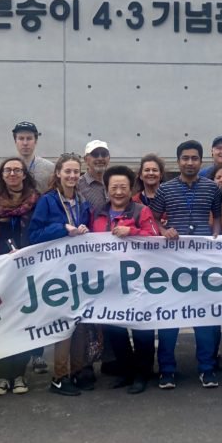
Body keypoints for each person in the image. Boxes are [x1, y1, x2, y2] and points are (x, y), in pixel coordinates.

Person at [148, 140, 222, 389]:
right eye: (185, 158)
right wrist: (164, 229)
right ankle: (167, 370)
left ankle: (207, 368)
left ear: (201, 161)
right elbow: (154, 219)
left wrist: (215, 237)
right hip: (172, 262)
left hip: (203, 262)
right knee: (171, 315)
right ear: (178, 161)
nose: (189, 162)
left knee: (203, 315)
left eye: (194, 158)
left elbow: (218, 218)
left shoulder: (212, 188)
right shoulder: (165, 189)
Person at [28, 153, 94, 396]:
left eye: (76, 172)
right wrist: (62, 229)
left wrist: (83, 229)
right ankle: (59, 376)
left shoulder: (82, 201)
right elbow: (34, 234)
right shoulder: (47, 201)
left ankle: (76, 371)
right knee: (63, 323)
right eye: (67, 171)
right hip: (55, 271)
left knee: (78, 322)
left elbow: (83, 231)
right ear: (58, 173)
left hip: (78, 269)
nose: (72, 176)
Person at [92, 165, 161, 395]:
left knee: (142, 327)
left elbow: (155, 238)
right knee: (116, 329)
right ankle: (127, 371)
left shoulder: (141, 211)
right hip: (110, 281)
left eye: (123, 187)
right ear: (107, 189)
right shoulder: (98, 214)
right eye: (114, 187)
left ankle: (143, 373)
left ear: (131, 188)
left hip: (139, 279)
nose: (119, 192)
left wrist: (131, 232)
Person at [0, 157, 40, 396]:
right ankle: (2, 376)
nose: (13, 173)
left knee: (23, 322)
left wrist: (28, 254)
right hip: (0, 270)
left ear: (25, 174)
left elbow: (40, 233)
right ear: (2, 175)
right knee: (0, 322)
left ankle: (19, 374)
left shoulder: (37, 201)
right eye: (8, 170)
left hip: (29, 269)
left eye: (17, 170)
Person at [12, 120, 55, 187]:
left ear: (36, 141)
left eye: (29, 138)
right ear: (15, 141)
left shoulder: (49, 168)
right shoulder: (6, 168)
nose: (25, 143)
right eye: (21, 138)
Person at [78, 140, 110, 215]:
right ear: (86, 159)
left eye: (104, 154)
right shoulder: (77, 185)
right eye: (95, 154)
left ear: (109, 158)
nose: (100, 158)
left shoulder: (115, 182)